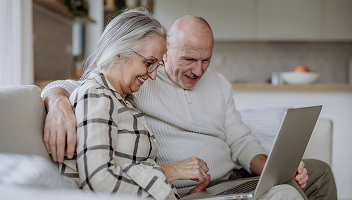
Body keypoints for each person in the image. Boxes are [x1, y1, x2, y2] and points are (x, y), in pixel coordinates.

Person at [42, 15, 337, 200]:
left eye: (206, 60)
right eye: (189, 60)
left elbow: (240, 140)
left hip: (229, 177)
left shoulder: (218, 84)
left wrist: (275, 167)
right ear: (167, 53)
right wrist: (56, 101)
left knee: (316, 172)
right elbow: (87, 85)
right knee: (286, 194)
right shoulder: (137, 81)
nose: (198, 71)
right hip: (189, 187)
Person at [55, 9, 214, 200]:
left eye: (157, 66)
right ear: (119, 53)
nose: (153, 75)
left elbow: (126, 178)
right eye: (149, 63)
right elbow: (99, 180)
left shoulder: (121, 98)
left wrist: (178, 195)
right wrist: (172, 171)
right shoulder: (96, 95)